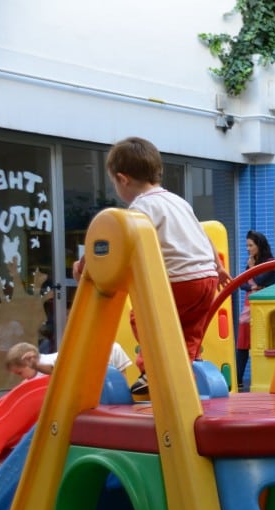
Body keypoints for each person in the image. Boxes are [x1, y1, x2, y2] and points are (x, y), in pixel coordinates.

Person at [73, 137, 231, 397]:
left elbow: (109, 238)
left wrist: (84, 264)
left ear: (123, 179)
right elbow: (202, 236)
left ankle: (151, 371)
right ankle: (182, 371)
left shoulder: (140, 208)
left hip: (177, 280)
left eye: (114, 182)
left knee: (143, 318)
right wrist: (218, 266)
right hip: (206, 278)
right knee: (189, 329)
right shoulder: (179, 202)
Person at [236, 230, 275, 390]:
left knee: (262, 342)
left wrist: (252, 274)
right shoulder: (251, 262)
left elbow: (261, 279)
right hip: (248, 306)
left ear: (259, 245)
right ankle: (237, 379)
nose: (248, 249)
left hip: (263, 307)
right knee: (242, 343)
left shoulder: (270, 262)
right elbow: (242, 284)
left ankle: (266, 379)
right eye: (247, 245)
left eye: (250, 245)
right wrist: (254, 285)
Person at [5, 341, 132, 380]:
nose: (23, 378)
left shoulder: (114, 348)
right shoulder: (36, 370)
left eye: (20, 373)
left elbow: (122, 377)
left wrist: (36, 365)